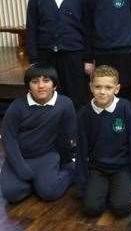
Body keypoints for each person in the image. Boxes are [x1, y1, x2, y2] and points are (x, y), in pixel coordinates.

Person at [0, 63, 75, 203]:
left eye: (46, 81)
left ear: (55, 85)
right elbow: (8, 138)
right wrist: (20, 167)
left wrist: (67, 161)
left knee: (50, 193)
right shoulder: (17, 106)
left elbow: (68, 135)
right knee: (12, 194)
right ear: (28, 86)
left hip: (46, 155)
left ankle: (68, 173)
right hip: (20, 156)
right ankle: (37, 182)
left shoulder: (65, 104)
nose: (41, 86)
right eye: (35, 82)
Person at [76, 65, 131, 217]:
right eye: (98, 86)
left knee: (121, 208)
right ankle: (103, 189)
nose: (102, 91)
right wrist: (81, 185)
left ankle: (113, 190)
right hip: (97, 169)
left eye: (108, 87)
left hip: (122, 168)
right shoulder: (84, 114)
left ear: (117, 88)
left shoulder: (125, 108)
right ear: (91, 87)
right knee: (91, 208)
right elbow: (81, 150)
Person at [26, 0, 90, 108]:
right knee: (49, 99)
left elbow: (89, 30)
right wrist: (33, 60)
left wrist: (88, 59)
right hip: (46, 57)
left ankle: (74, 132)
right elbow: (31, 29)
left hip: (74, 57)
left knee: (76, 97)